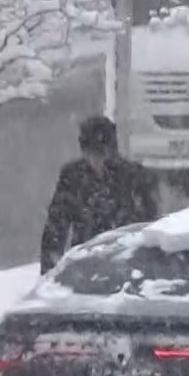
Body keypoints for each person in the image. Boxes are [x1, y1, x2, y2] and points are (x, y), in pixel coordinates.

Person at [39, 116, 159, 274]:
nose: (96, 160)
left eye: (101, 154)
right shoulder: (72, 177)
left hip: (125, 261)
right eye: (91, 154)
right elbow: (56, 225)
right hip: (84, 261)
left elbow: (148, 223)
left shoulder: (132, 176)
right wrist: (49, 268)